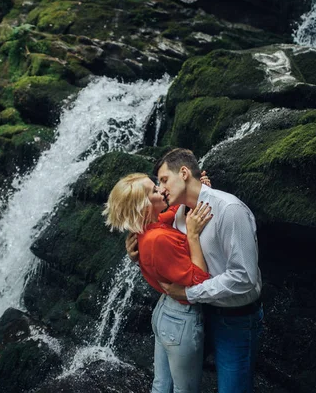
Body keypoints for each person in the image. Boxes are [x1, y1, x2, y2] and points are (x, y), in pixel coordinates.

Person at [128, 148, 263, 393]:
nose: (161, 188)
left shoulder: (230, 211)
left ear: (184, 172)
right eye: (158, 184)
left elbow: (244, 278)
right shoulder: (179, 212)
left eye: (164, 180)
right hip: (196, 315)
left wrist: (189, 294)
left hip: (234, 318)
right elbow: (151, 232)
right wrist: (135, 250)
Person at [104, 173, 213, 393]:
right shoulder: (159, 239)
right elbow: (200, 283)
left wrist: (196, 189)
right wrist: (192, 235)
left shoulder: (148, 227)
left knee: (161, 385)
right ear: (144, 207)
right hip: (182, 317)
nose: (161, 190)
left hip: (166, 313)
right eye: (155, 190)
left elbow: (174, 210)